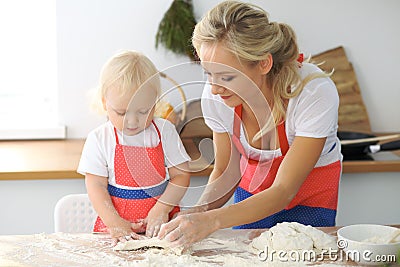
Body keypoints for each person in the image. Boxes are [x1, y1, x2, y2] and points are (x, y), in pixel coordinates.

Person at [158, 0, 342, 246]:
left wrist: (211, 221)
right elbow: (225, 171)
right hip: (250, 197)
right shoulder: (216, 96)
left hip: (309, 200)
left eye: (226, 76)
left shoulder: (312, 92)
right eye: (208, 73)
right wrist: (197, 213)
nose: (213, 87)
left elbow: (284, 190)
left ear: (264, 63)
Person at [77, 50, 191, 245]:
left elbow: (181, 175)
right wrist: (114, 223)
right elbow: (95, 185)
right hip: (116, 228)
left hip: (161, 226)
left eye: (143, 111)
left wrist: (161, 209)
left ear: (155, 104)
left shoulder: (165, 131)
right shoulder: (100, 138)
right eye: (121, 112)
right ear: (105, 103)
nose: (132, 121)